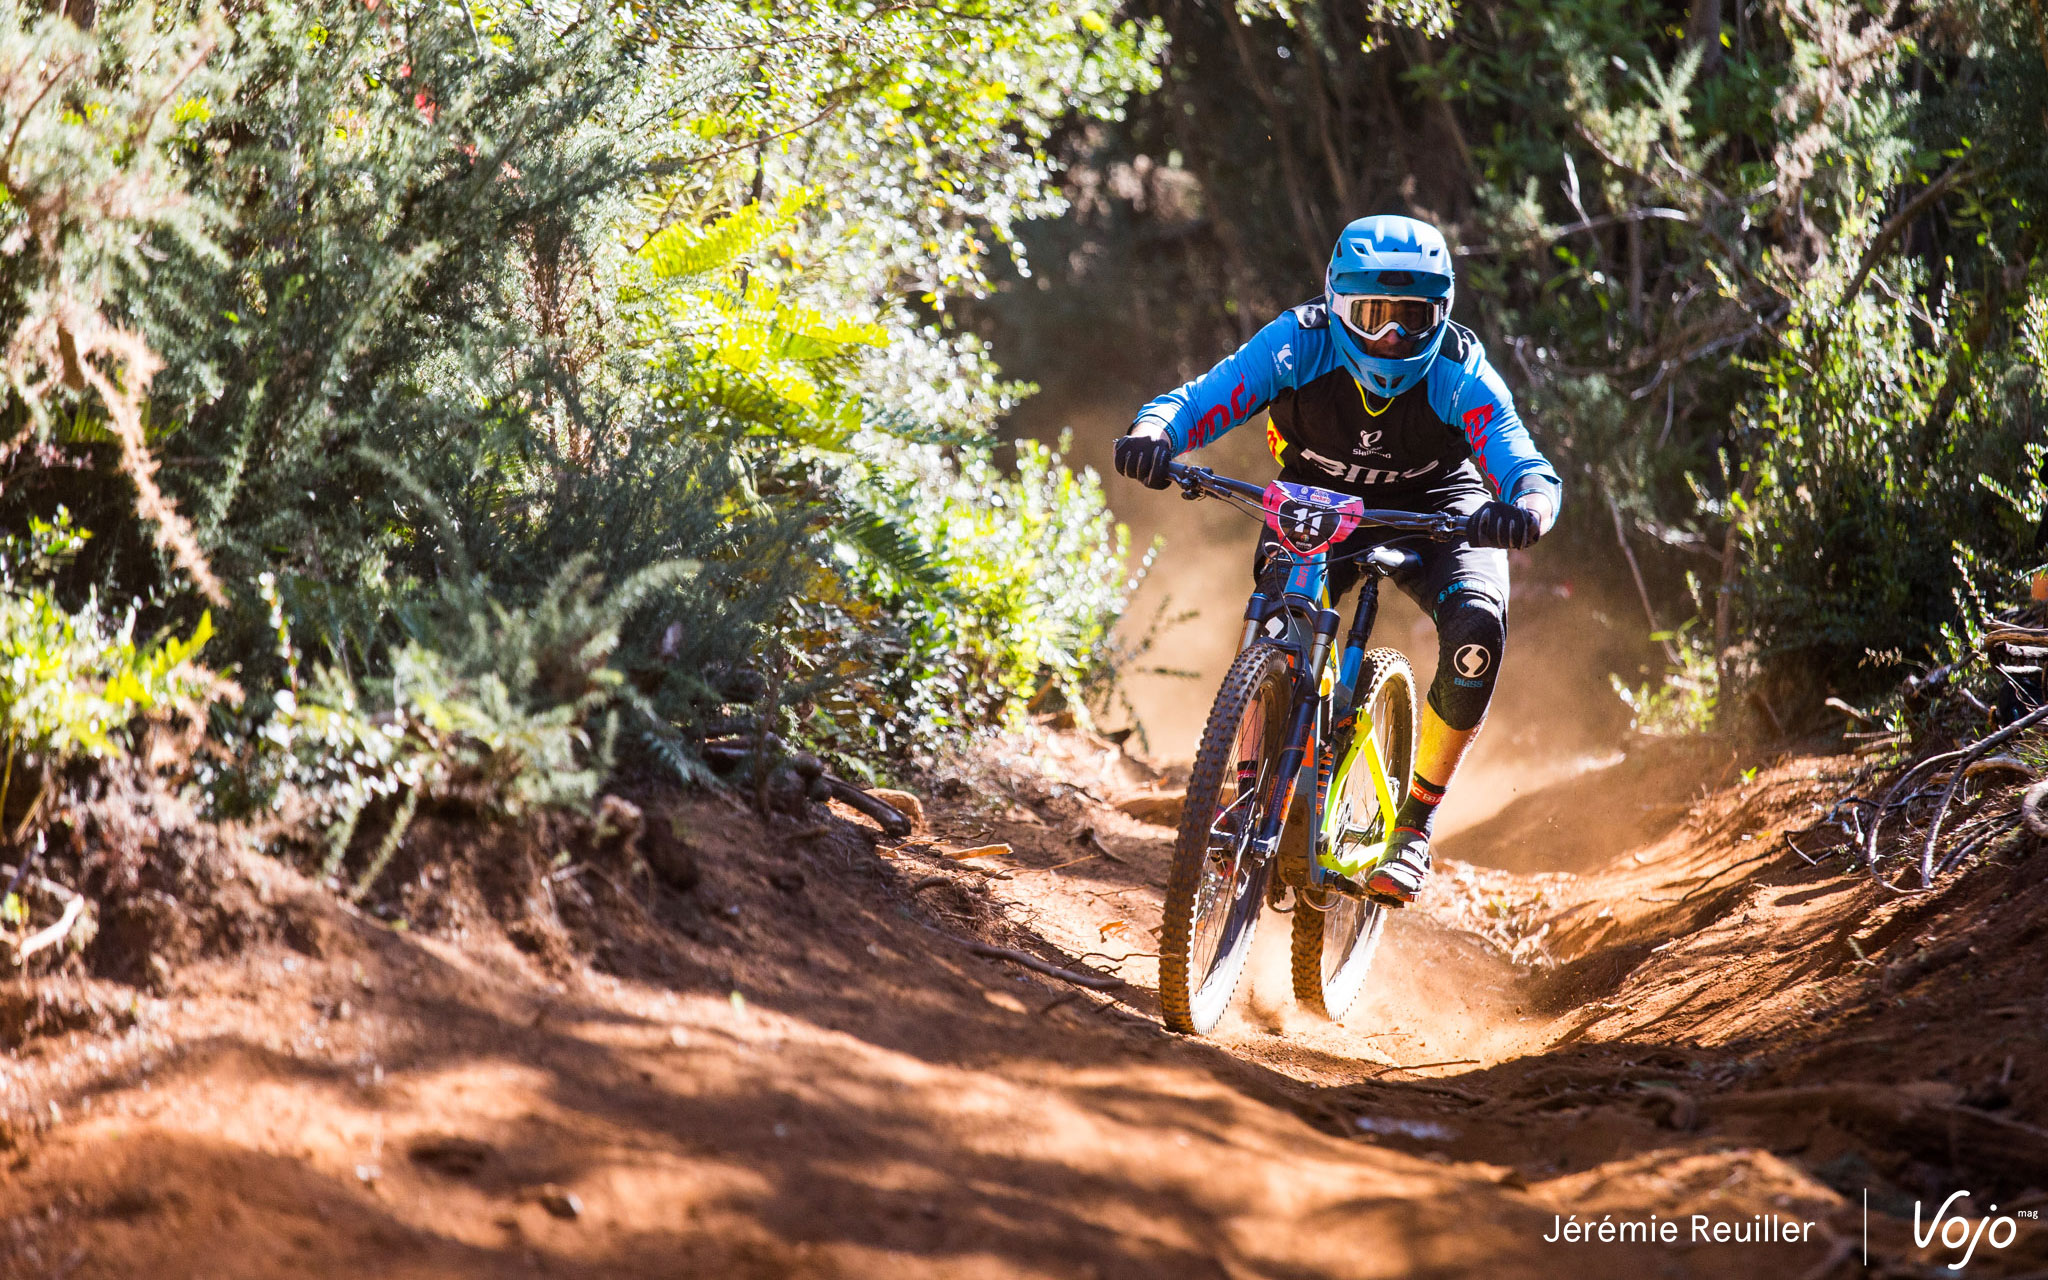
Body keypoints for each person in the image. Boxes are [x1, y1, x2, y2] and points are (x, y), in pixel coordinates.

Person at [1113, 214, 1562, 906]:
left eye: (1413, 318)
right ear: (1335, 304)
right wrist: (1155, 434)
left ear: (1442, 314)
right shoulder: (1298, 344)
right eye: (1373, 316)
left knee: (1477, 634)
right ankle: (1246, 786)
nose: (1392, 337)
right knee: (1275, 620)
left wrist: (1526, 508)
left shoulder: (1459, 373)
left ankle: (1413, 827)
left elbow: (1527, 465)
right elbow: (1198, 400)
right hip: (1316, 504)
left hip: (1438, 513)